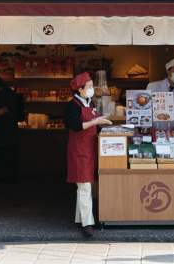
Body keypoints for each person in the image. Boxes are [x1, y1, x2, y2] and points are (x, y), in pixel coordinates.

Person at [64, 72, 111, 237]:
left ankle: (80, 218)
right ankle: (87, 223)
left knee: (87, 186)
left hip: (90, 150)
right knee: (84, 186)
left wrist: (104, 129)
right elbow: (75, 126)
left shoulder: (89, 102)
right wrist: (96, 122)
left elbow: (93, 126)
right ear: (81, 89)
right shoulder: (73, 105)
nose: (92, 89)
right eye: (90, 86)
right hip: (79, 151)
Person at [147, 56, 174, 131]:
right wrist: (146, 127)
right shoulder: (153, 86)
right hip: (155, 129)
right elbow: (147, 108)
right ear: (168, 72)